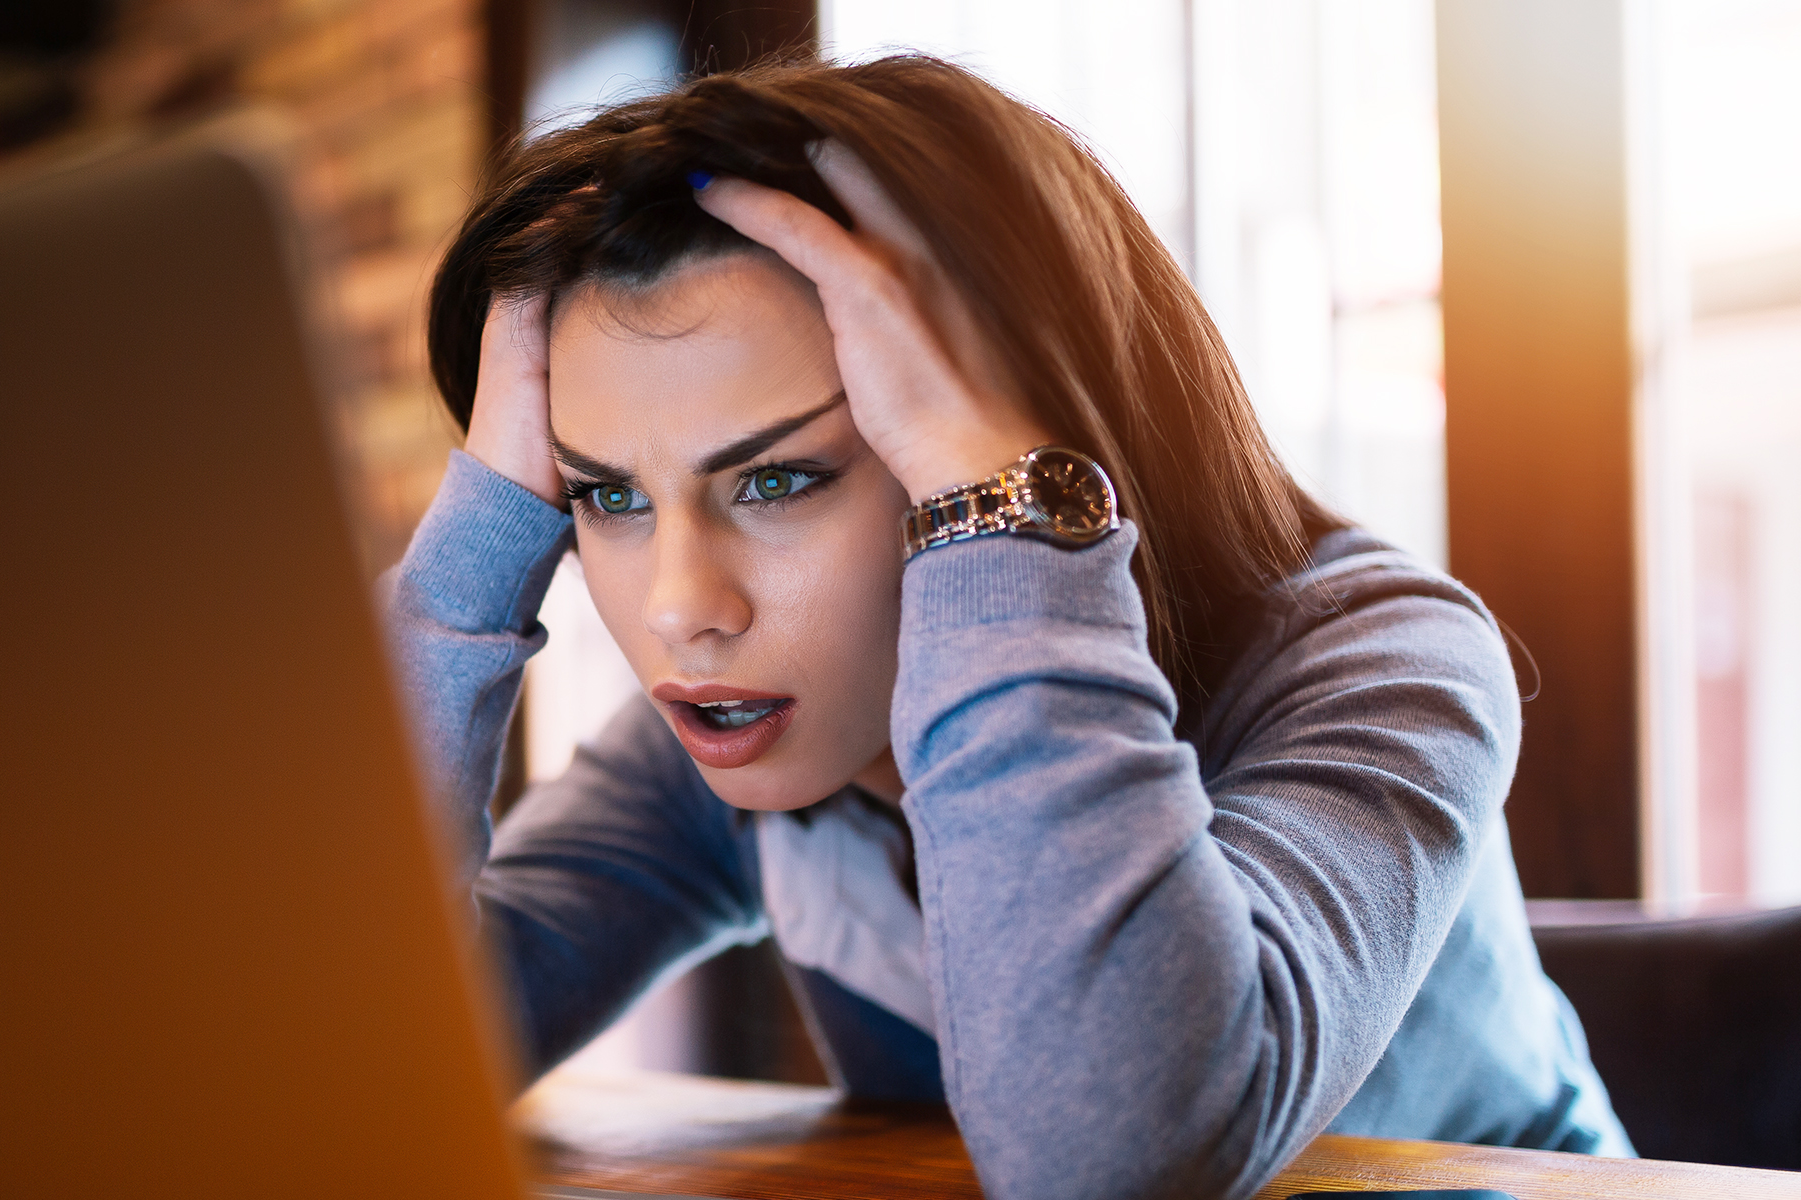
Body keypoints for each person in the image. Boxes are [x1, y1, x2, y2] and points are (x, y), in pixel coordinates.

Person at [378, 54, 1632, 1198]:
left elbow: (1117, 1160)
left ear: (998, 440)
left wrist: (1006, 506)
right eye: (605, 495)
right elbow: (363, 1064)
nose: (678, 610)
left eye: (779, 479)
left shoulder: (1385, 662)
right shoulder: (732, 728)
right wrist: (477, 544)